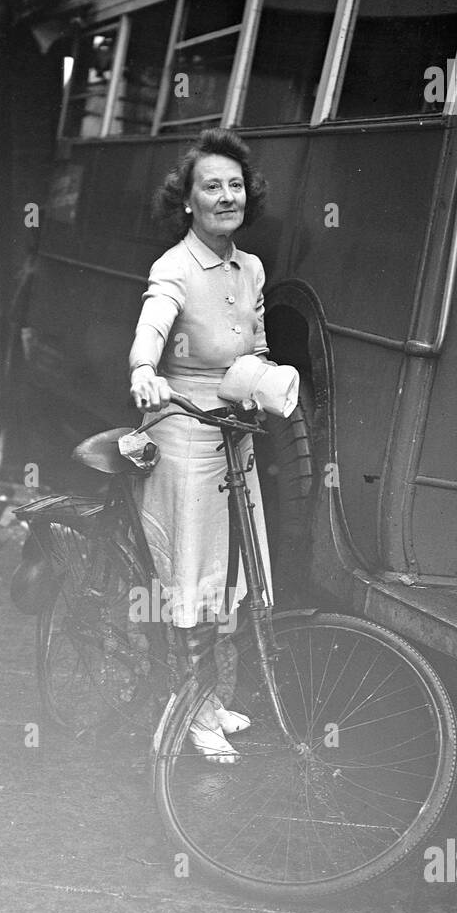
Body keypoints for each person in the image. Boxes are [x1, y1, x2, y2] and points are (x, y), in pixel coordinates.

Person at [129, 128, 276, 763]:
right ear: (187, 201)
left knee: (230, 575)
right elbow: (152, 327)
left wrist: (267, 379)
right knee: (191, 577)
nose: (225, 196)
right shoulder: (174, 267)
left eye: (234, 185)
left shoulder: (251, 268)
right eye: (210, 186)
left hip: (234, 434)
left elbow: (259, 344)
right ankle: (190, 713)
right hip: (186, 430)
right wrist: (143, 371)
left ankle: (213, 699)